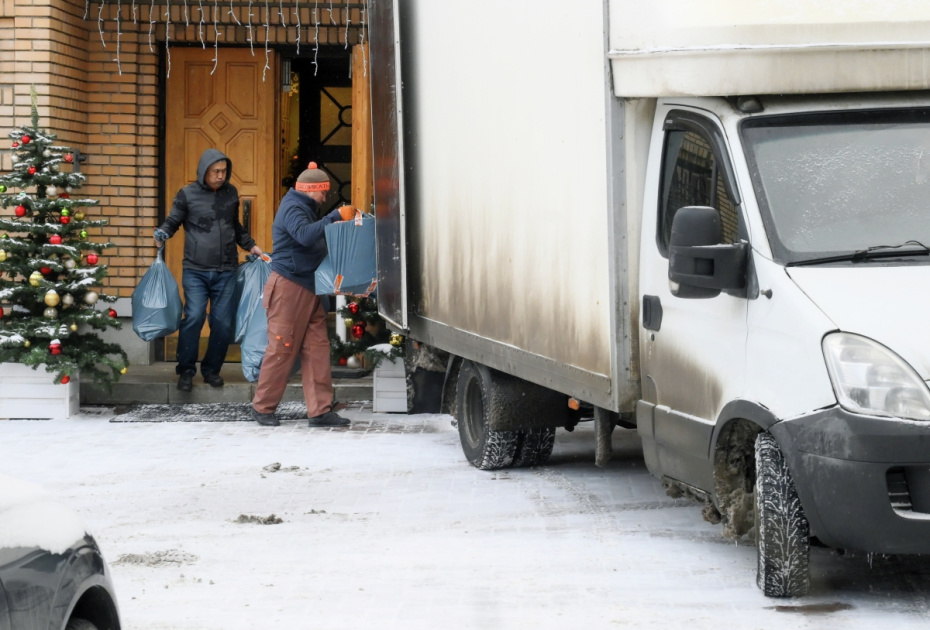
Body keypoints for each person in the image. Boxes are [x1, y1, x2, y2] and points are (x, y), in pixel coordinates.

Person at [251, 162, 354, 427]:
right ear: (311, 190)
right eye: (323, 192)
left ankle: (319, 411)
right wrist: (334, 218)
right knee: (282, 348)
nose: (325, 197)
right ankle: (262, 408)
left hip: (307, 287)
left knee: (317, 349)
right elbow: (305, 236)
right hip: (289, 287)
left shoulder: (303, 207)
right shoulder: (293, 207)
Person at [154, 149, 263, 392]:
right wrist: (162, 233)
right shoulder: (187, 195)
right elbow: (173, 221)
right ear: (204, 171)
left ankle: (212, 370)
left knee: (223, 323)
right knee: (193, 317)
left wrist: (251, 246)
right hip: (196, 270)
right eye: (216, 171)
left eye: (224, 171)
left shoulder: (231, 193)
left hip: (226, 270)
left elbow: (235, 227)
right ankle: (186, 370)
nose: (221, 176)